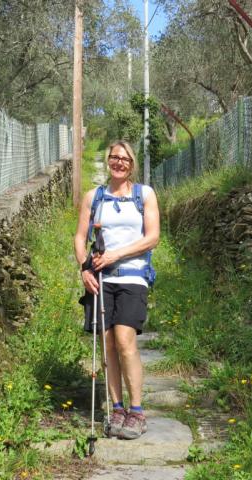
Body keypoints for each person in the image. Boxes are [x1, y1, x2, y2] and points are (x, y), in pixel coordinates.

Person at [74, 140, 160, 440]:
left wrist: (116, 255)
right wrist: (84, 269)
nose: (119, 162)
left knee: (125, 340)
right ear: (108, 160)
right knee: (108, 344)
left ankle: (137, 411)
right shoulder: (94, 197)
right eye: (114, 157)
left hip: (133, 277)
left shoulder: (144, 195)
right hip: (101, 279)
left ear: (132, 164)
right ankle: (117, 409)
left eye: (125, 159)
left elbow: (152, 238)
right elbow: (80, 237)